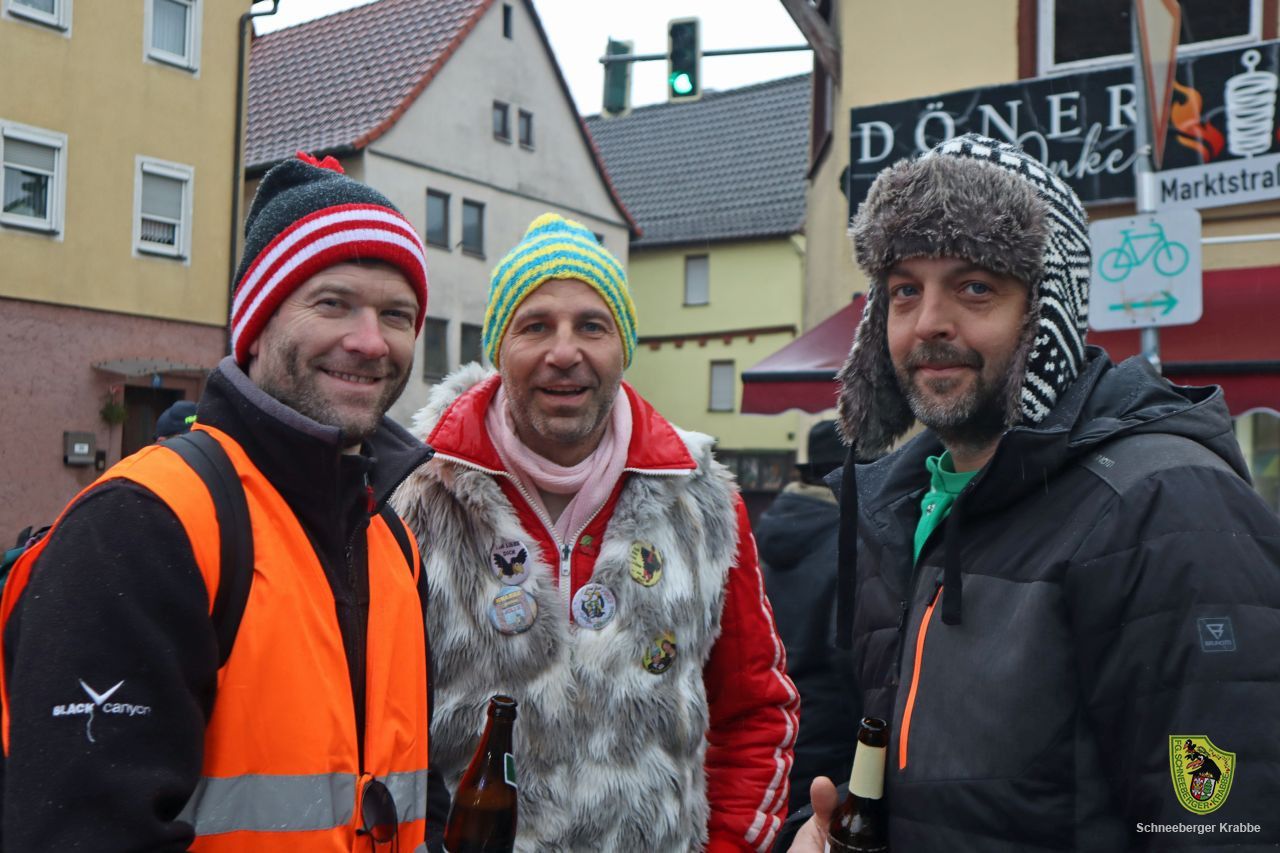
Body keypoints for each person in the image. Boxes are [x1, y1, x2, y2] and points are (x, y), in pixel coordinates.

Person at [788, 134, 1280, 851]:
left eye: (975, 286)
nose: (928, 322)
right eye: (905, 289)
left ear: (1048, 311)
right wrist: (819, 831)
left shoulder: (1166, 506)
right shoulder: (903, 506)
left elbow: (1223, 827)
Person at [0, 152, 434, 849]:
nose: (369, 341)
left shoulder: (394, 543)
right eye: (333, 303)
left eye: (397, 314)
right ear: (256, 327)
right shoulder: (143, 524)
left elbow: (412, 794)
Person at [393, 213, 799, 852]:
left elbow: (756, 711)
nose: (564, 352)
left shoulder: (702, 500)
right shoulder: (412, 496)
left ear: (623, 348)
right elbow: (373, 729)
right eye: (535, 326)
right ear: (499, 348)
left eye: (591, 325)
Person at [756, 420, 855, 815]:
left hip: (765, 732)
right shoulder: (848, 540)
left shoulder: (763, 532)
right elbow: (848, 656)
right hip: (827, 744)